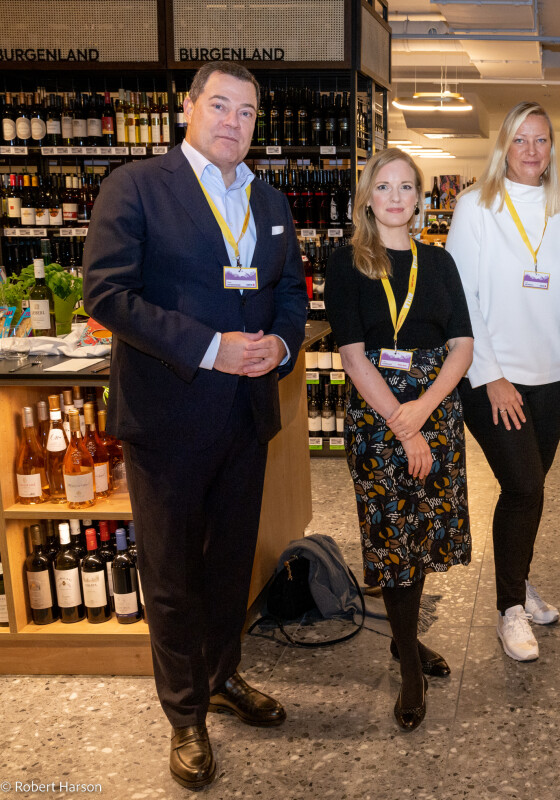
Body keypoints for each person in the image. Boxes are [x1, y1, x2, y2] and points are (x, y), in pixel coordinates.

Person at [82, 62, 308, 789]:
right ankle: (185, 718)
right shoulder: (138, 186)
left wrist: (280, 343)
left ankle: (221, 677)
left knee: (228, 566)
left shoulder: (269, 201)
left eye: (246, 113)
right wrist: (211, 348)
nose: (233, 122)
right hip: (169, 419)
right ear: (187, 109)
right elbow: (106, 293)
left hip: (245, 419)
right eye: (220, 106)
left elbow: (289, 298)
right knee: (173, 575)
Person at [445, 101, 560, 663]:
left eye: (541, 140)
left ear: (551, 148)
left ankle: (518, 580)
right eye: (521, 140)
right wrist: (492, 378)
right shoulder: (475, 207)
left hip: (555, 375)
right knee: (524, 488)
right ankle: (510, 608)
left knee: (529, 493)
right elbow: (462, 301)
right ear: (504, 147)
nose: (532, 150)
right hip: (495, 380)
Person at [324, 149, 473, 732]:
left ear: (419, 198)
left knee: (426, 533)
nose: (394, 197)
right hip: (378, 411)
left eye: (405, 187)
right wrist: (400, 421)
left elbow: (461, 347)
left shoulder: (440, 264)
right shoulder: (347, 262)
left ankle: (402, 639)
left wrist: (422, 412)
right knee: (394, 540)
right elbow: (354, 356)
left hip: (434, 405)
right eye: (383, 186)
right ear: (367, 196)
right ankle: (409, 663)